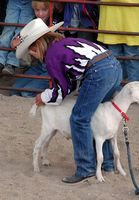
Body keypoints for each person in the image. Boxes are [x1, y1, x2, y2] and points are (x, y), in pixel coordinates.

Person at [16, 18, 122, 183]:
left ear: (38, 44)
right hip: (114, 66)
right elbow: (70, 84)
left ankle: (85, 168)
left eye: (31, 49)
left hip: (98, 74)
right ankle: (107, 164)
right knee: (98, 116)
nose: (31, 54)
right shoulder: (64, 44)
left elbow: (61, 91)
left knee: (79, 118)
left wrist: (42, 97)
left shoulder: (51, 56)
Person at [11, 0, 64, 97]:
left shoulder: (55, 20)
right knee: (15, 89)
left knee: (26, 92)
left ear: (51, 8)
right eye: (36, 10)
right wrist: (16, 41)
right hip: (40, 65)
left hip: (53, 66)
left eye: (44, 10)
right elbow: (19, 38)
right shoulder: (34, 22)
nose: (40, 14)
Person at [97, 0, 139, 82]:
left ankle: (134, 88)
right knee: (117, 56)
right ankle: (120, 86)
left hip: (129, 22)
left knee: (130, 56)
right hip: (113, 21)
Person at [0, 0, 34, 74]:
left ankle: (12, 62)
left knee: (22, 31)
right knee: (8, 27)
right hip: (14, 1)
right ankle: (1, 59)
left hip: (29, 2)